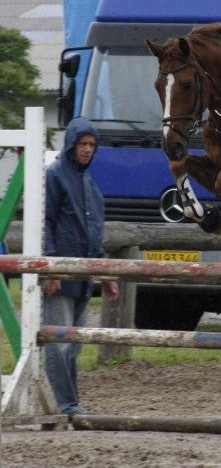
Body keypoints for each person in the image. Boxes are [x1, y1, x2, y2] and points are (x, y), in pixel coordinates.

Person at [43, 117, 119, 418]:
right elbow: (45, 222)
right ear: (71, 144)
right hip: (60, 277)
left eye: (91, 145)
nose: (87, 150)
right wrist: (51, 267)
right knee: (59, 346)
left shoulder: (91, 186)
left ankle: (69, 403)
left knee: (74, 346)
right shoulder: (55, 176)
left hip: (84, 279)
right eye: (82, 144)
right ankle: (67, 405)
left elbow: (94, 235)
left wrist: (106, 274)